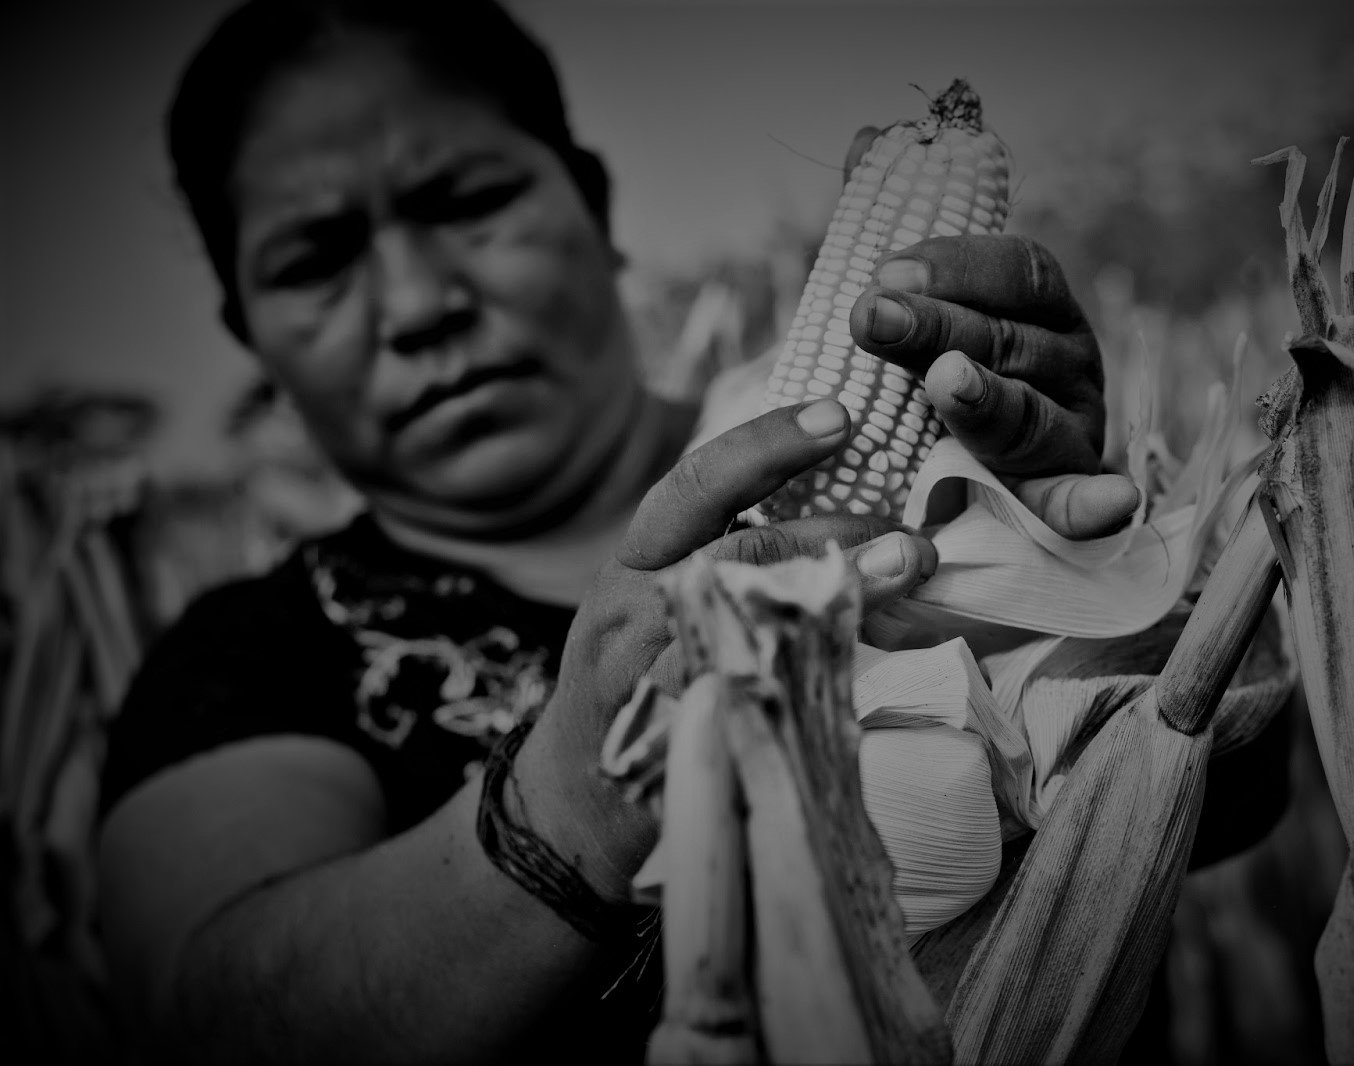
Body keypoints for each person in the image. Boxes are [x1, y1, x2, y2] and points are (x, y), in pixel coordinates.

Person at [94, 1, 1279, 1062]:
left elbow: (1228, 803)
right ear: (247, 327)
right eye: (315, 260)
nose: (416, 304)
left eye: (468, 201)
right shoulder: (249, 653)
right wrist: (575, 797)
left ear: (595, 205)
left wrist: (1068, 568)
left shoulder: (925, 449)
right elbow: (212, 1020)